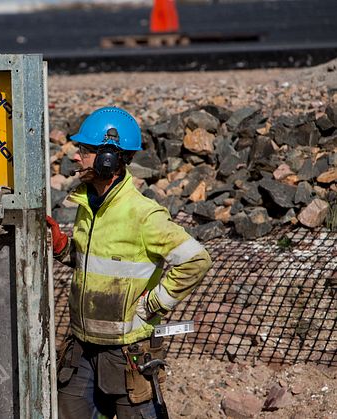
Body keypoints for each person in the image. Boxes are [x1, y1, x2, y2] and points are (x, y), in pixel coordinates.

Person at [47, 107, 212, 419]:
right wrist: (62, 247)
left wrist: (153, 304)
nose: (77, 157)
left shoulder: (143, 213)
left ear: (109, 157)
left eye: (85, 150)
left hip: (124, 352)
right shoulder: (88, 205)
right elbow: (94, 261)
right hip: (82, 347)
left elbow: (196, 260)